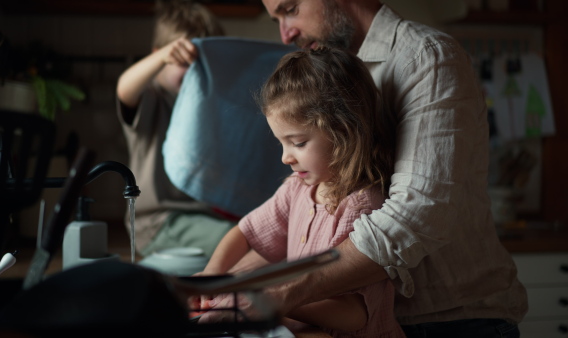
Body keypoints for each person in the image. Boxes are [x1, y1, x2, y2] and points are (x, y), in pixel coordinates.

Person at [203, 0, 529, 337]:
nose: (286, 34)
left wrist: (284, 294)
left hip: (453, 321)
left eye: (290, 9)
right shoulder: (335, 74)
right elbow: (284, 238)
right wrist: (216, 289)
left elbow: (415, 215)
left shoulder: (425, 58)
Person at [192, 47, 404, 337]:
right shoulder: (297, 190)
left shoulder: (360, 207)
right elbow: (245, 233)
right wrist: (212, 277)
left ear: (343, 132)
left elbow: (353, 316)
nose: (285, 157)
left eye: (298, 143)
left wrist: (274, 301)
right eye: (281, 143)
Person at [115, 0, 235, 258]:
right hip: (157, 222)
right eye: (184, 61)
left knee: (250, 235)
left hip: (203, 217)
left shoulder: (206, 102)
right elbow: (125, 89)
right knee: (235, 240)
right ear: (161, 55)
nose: (195, 71)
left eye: (203, 63)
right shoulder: (152, 98)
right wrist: (160, 57)